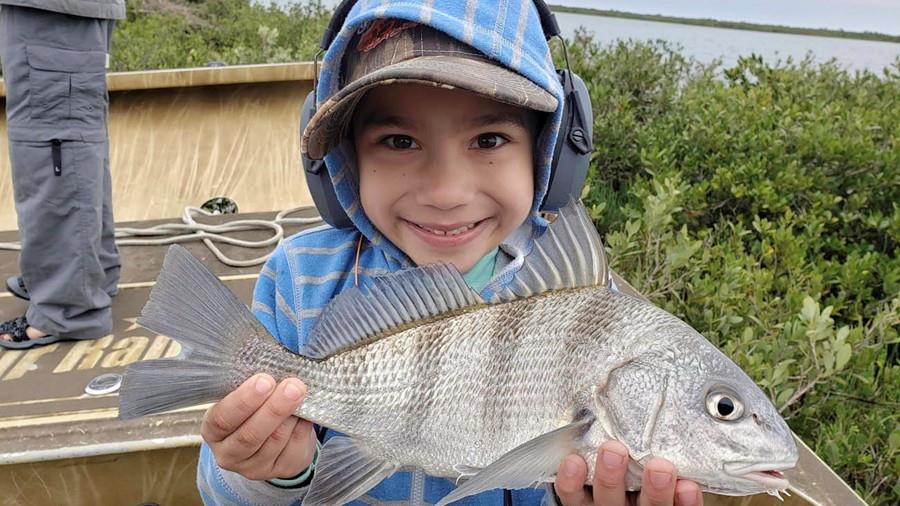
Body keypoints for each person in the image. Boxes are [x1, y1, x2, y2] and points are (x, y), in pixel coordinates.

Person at [197, 2, 704, 505]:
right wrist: (276, 475)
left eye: (488, 139)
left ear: (550, 152)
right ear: (344, 162)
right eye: (399, 141)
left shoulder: (594, 304)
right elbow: (220, 491)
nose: (445, 192)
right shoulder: (298, 278)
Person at [0, 0, 123, 348]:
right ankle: (81, 276)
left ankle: (67, 308)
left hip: (53, 12)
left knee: (52, 147)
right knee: (73, 143)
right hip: (58, 12)